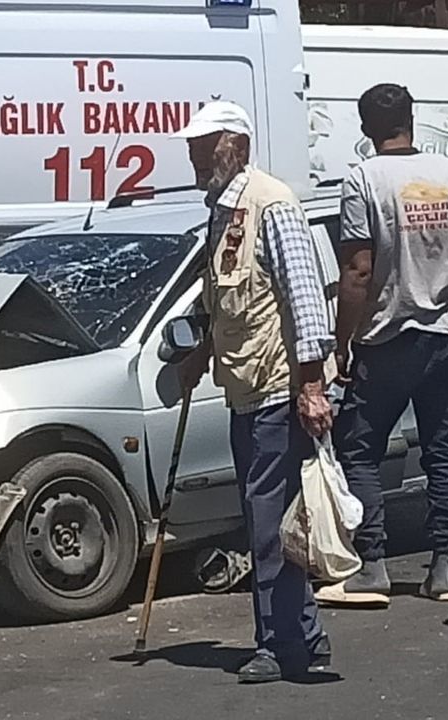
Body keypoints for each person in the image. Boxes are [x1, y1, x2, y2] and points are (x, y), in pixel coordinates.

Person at [173, 100, 337, 684]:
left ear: (236, 146)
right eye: (192, 148)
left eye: (205, 146)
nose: (195, 157)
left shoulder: (272, 203)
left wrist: (311, 385)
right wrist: (199, 353)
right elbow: (223, 299)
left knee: (268, 524)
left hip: (276, 390)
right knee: (270, 519)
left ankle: (278, 643)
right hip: (245, 391)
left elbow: (304, 298)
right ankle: (305, 635)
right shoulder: (223, 211)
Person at [320, 84, 448, 607]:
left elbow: (358, 270)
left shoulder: (363, 180)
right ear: (411, 119)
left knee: (360, 448)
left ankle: (372, 563)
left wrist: (342, 341)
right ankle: (443, 568)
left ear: (365, 129)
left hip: (388, 337)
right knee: (444, 451)